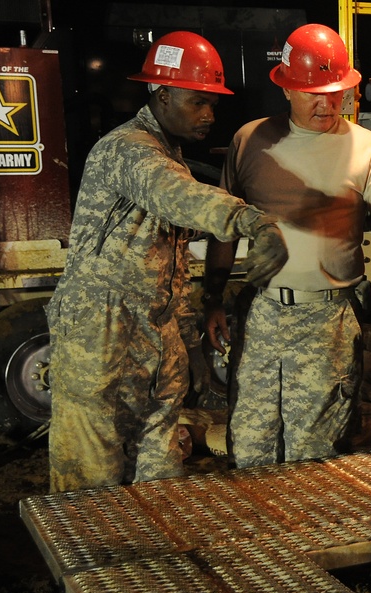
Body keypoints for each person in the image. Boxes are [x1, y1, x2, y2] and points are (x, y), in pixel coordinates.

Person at [46, 31, 289, 492]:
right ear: (162, 95)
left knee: (160, 474)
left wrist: (190, 340)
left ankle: (154, 558)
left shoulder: (166, 153)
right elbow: (177, 195)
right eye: (198, 102)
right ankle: (96, 561)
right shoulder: (129, 150)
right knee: (92, 479)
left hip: (151, 335)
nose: (209, 116)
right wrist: (252, 221)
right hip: (100, 333)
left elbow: (166, 262)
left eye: (212, 105)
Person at [202, 23, 371, 468]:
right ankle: (260, 533)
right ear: (286, 89)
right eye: (313, 93)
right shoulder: (249, 141)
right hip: (260, 313)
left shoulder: (366, 147)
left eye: (336, 91)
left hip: (329, 319)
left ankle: (312, 535)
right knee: (250, 446)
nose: (327, 104)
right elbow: (223, 231)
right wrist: (213, 300)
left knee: (315, 455)